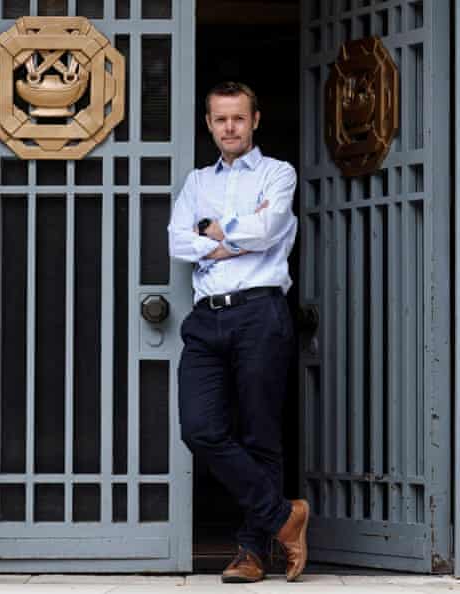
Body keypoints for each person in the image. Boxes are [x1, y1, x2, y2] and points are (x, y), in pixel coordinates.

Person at [167, 81, 309, 584]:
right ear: (208, 124)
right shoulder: (196, 182)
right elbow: (177, 241)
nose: (230, 127)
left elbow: (269, 232)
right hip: (207, 318)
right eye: (220, 119)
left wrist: (214, 231)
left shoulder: (278, 173)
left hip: (259, 312)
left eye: (239, 118)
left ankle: (251, 553)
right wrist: (233, 234)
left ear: (255, 120)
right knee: (199, 428)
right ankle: (283, 517)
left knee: (260, 435)